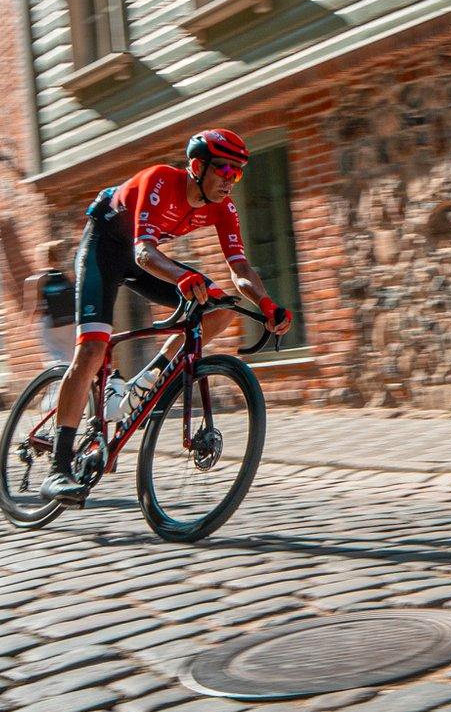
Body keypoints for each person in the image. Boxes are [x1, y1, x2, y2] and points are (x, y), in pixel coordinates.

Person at [40, 129, 293, 501]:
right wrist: (181, 276)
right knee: (92, 350)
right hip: (105, 249)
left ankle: (150, 376)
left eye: (237, 174)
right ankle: (58, 469)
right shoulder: (161, 180)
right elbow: (144, 253)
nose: (230, 181)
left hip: (144, 259)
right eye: (224, 171)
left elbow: (239, 267)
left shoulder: (223, 208)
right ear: (196, 166)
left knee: (219, 309)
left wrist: (267, 304)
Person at [25, 240, 77, 370]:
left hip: (51, 324)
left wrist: (29, 323)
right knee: (71, 358)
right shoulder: (67, 276)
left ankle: (57, 386)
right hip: (71, 322)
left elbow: (35, 307)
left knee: (54, 358)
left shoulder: (39, 279)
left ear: (42, 258)